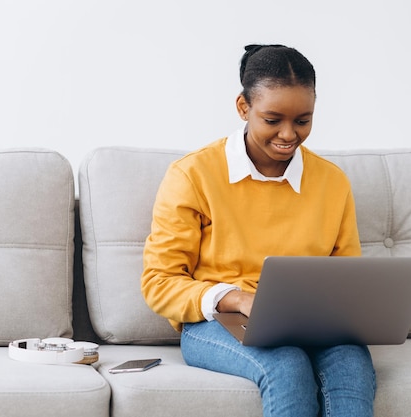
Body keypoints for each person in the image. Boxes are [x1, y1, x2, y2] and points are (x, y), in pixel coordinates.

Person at [141, 44, 376, 417]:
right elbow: (160, 282)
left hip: (311, 320)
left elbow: (346, 276)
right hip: (218, 321)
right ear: (243, 107)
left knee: (352, 367)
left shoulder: (332, 182)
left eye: (303, 120)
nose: (289, 134)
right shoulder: (192, 175)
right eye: (272, 119)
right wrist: (237, 298)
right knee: (287, 365)